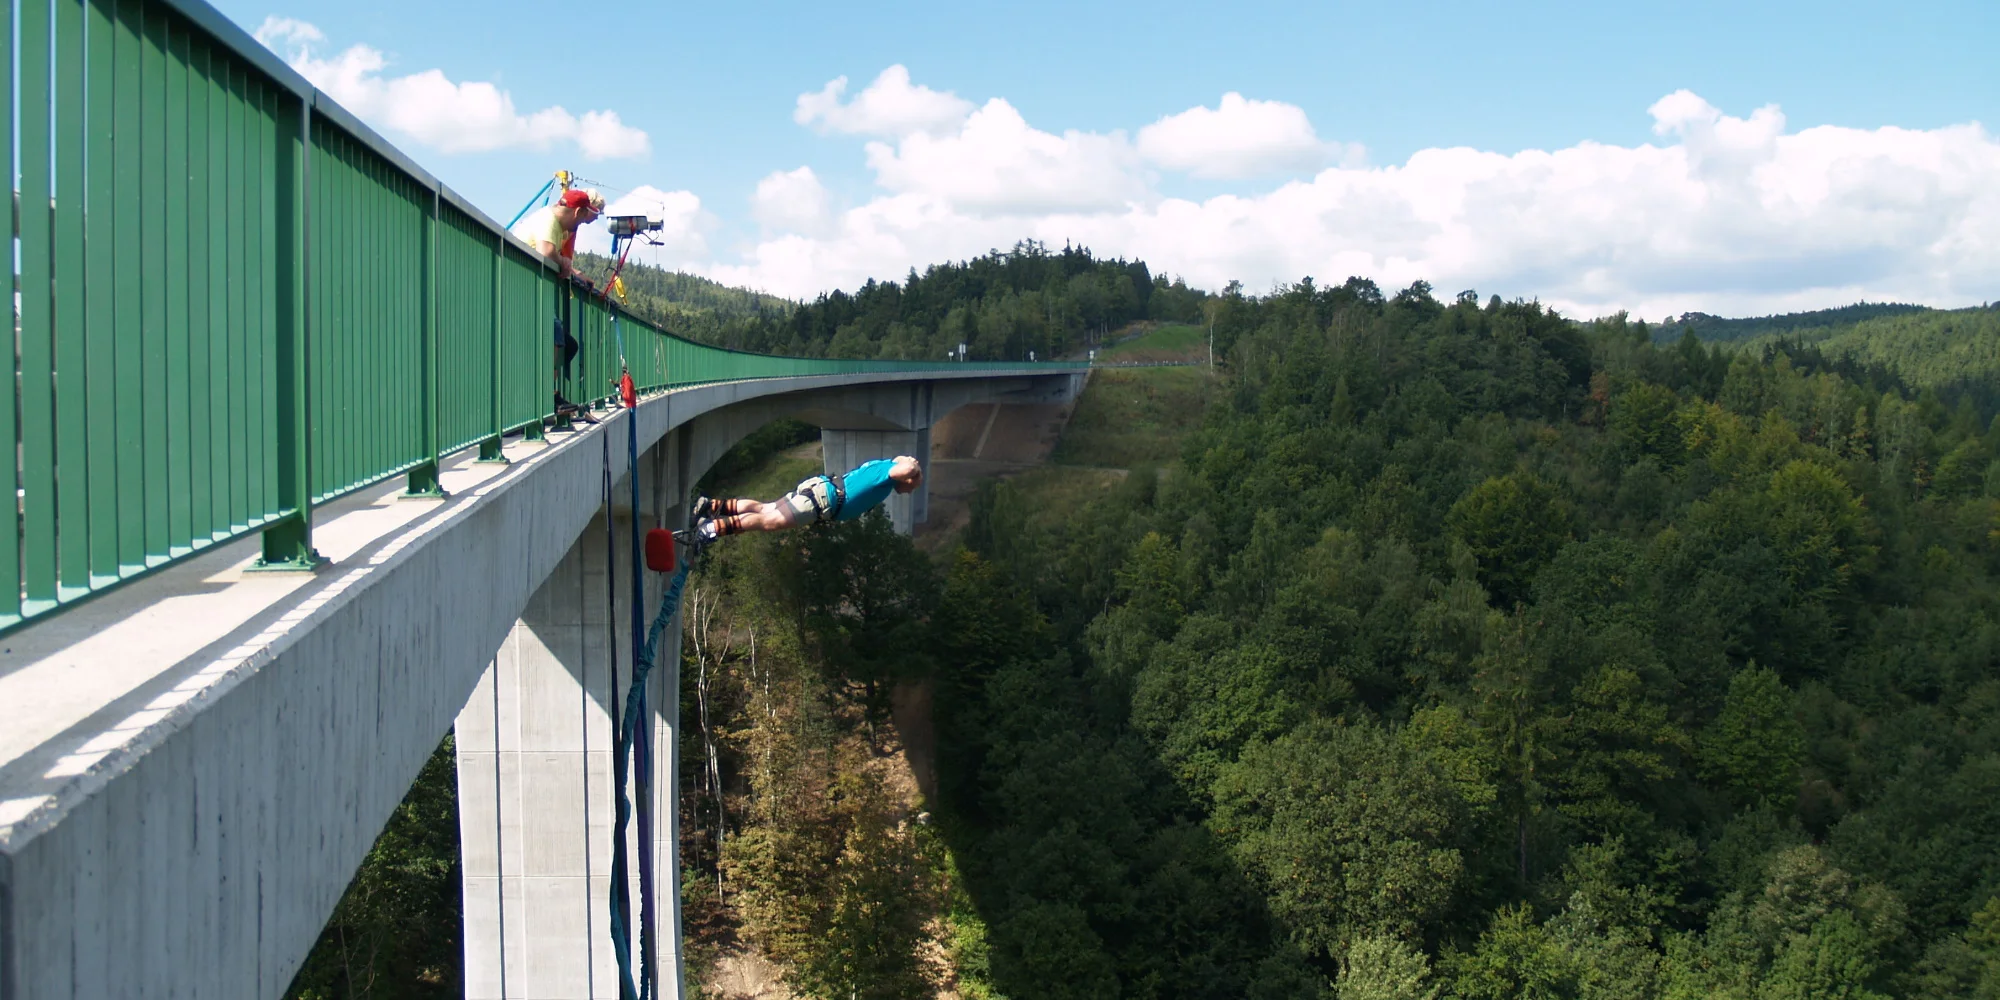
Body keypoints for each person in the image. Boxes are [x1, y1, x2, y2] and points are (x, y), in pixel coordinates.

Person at [684, 456, 924, 546]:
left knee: (765, 508)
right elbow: (905, 468)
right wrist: (913, 467)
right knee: (769, 521)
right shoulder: (885, 474)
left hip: (820, 492)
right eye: (913, 486)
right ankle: (711, 528)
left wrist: (908, 465)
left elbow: (902, 465)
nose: (911, 490)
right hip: (822, 501)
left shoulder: (881, 466)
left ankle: (710, 506)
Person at [511, 188, 606, 416]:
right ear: (578, 212)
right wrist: (564, 262)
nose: (581, 225)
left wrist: (572, 270)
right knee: (553, 334)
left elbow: (553, 254)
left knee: (567, 344)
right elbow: (546, 251)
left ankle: (549, 395)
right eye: (584, 219)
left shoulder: (553, 224)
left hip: (528, 288)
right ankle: (547, 397)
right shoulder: (549, 221)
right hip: (520, 288)